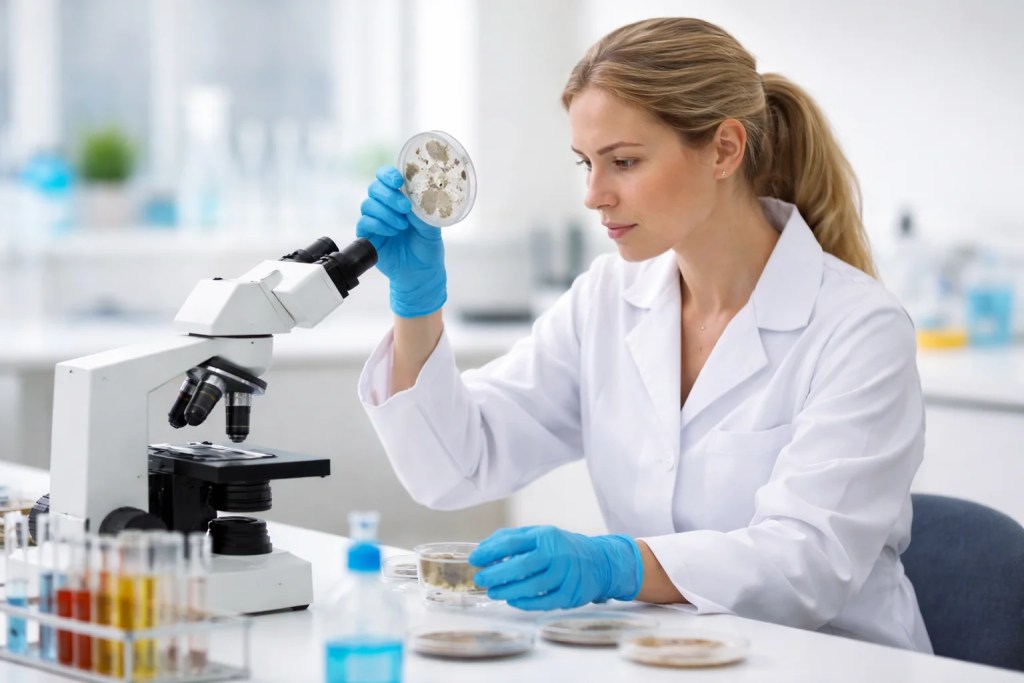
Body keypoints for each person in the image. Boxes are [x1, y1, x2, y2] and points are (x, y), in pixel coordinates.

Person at [355, 17, 932, 653]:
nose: (594, 195)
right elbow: (456, 465)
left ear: (724, 150)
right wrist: (417, 304)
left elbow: (809, 560)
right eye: (586, 164)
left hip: (834, 660)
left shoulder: (858, 328)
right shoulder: (607, 300)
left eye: (624, 162)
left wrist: (619, 565)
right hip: (666, 655)